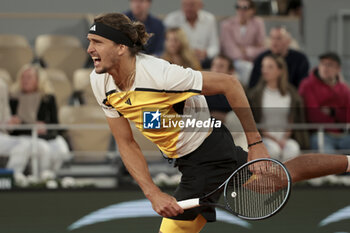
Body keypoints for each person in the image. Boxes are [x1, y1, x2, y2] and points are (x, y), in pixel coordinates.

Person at [87, 13, 350, 233]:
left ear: (121, 47)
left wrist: (255, 142)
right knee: (277, 177)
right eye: (90, 42)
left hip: (206, 155)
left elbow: (229, 83)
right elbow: (125, 142)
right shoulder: (100, 81)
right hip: (194, 155)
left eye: (97, 42)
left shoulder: (161, 75)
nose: (89, 49)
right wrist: (152, 192)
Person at [9, 64, 70, 174]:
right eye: (23, 77)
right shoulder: (13, 99)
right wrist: (24, 125)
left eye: (29, 77)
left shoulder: (48, 98)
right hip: (24, 136)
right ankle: (39, 180)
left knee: (61, 148)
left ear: (38, 80)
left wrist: (45, 127)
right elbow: (12, 128)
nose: (25, 80)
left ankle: (51, 176)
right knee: (43, 149)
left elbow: (55, 123)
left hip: (45, 135)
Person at [248, 54, 308, 162]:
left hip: (285, 138)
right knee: (273, 151)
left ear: (280, 70)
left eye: (270, 67)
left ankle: (289, 178)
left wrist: (284, 138)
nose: (265, 70)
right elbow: (256, 120)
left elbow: (292, 119)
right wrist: (272, 139)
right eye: (263, 66)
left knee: (293, 150)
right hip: (265, 138)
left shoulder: (291, 93)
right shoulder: (256, 94)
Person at [299, 52, 350, 153]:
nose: (325, 68)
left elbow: (348, 116)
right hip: (319, 134)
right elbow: (314, 117)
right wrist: (339, 118)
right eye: (322, 63)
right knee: (329, 158)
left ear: (338, 69)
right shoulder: (308, 85)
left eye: (330, 65)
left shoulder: (344, 89)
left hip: (343, 135)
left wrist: (332, 112)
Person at [205, 54, 247, 150]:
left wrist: (223, 117)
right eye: (214, 65)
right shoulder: (203, 88)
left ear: (230, 71)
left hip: (234, 132)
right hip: (210, 132)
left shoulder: (237, 89)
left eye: (221, 66)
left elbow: (240, 115)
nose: (216, 69)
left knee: (235, 118)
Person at [220, 0, 266, 86]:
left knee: (249, 68)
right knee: (246, 68)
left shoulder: (258, 23)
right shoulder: (227, 24)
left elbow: (262, 48)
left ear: (252, 10)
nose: (241, 11)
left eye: (245, 8)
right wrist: (243, 54)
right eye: (238, 7)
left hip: (252, 62)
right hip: (232, 62)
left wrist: (247, 51)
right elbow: (228, 47)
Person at [163, 0, 219, 69]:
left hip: (204, 60)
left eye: (192, 5)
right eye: (185, 5)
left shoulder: (210, 19)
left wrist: (205, 53)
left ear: (200, 5)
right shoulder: (171, 19)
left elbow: (215, 46)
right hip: (179, 58)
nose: (188, 8)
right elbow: (167, 44)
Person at [0, 78, 33, 174]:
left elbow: (5, 116)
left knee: (27, 145)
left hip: (2, 135)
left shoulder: (2, 85)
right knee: (23, 144)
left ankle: (11, 179)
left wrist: (11, 122)